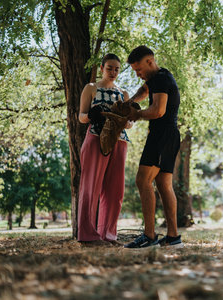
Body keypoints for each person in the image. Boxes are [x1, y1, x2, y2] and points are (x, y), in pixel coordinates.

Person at [123, 45, 183, 248]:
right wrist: (130, 102)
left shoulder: (160, 79)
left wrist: (137, 114)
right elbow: (145, 90)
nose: (138, 74)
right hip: (171, 135)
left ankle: (149, 237)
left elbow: (158, 110)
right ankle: (173, 238)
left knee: (142, 181)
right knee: (164, 185)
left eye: (139, 69)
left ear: (150, 61)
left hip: (161, 135)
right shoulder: (161, 76)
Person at [78, 53, 132, 245]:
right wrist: (91, 116)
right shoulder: (91, 88)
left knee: (115, 191)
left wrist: (127, 122)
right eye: (109, 68)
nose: (113, 72)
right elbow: (81, 116)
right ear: (101, 68)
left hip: (120, 141)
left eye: (117, 69)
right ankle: (87, 235)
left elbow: (130, 123)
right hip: (95, 138)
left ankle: (108, 235)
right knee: (90, 187)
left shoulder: (123, 93)